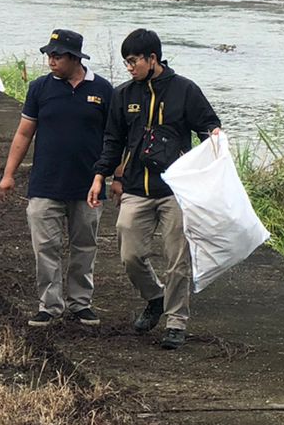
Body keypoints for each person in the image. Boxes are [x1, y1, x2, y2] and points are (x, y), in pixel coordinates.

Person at [89, 28, 221, 350]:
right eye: (126, 62)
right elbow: (113, 141)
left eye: (134, 61)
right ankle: (155, 297)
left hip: (175, 189)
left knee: (177, 257)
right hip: (135, 186)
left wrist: (215, 144)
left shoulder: (185, 90)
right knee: (129, 250)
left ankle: (176, 322)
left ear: (152, 58)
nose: (130, 67)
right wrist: (100, 176)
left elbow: (209, 128)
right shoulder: (123, 96)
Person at [0, 28, 114, 328]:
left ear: (75, 58)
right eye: (49, 55)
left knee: (85, 245)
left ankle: (80, 303)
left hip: (88, 185)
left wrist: (116, 175)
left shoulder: (103, 90)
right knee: (46, 246)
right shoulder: (39, 89)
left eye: (57, 56)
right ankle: (49, 305)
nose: (51, 61)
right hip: (45, 183)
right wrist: (8, 174)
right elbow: (24, 133)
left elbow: (114, 138)